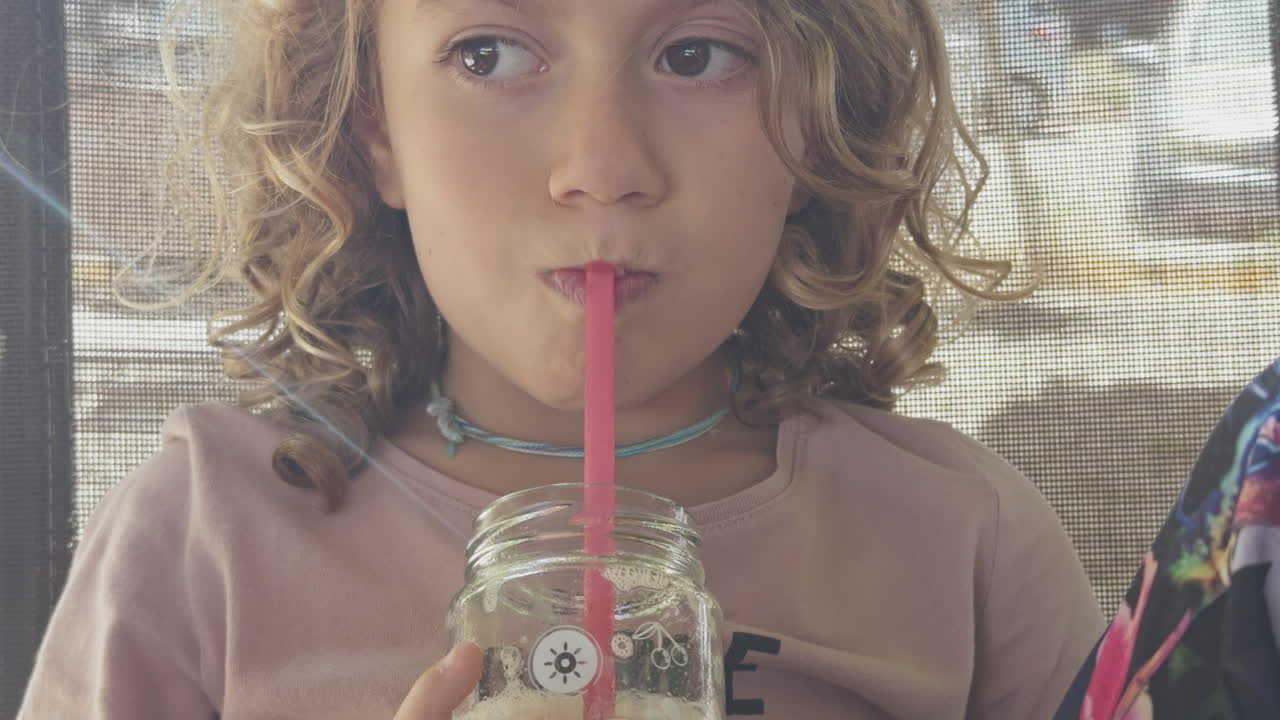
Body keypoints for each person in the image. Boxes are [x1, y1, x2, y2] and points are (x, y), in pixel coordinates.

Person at [18, 0, 1104, 717]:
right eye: (487, 54)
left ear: (815, 126)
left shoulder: (959, 545)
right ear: (372, 132)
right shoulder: (206, 539)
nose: (601, 165)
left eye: (697, 55)